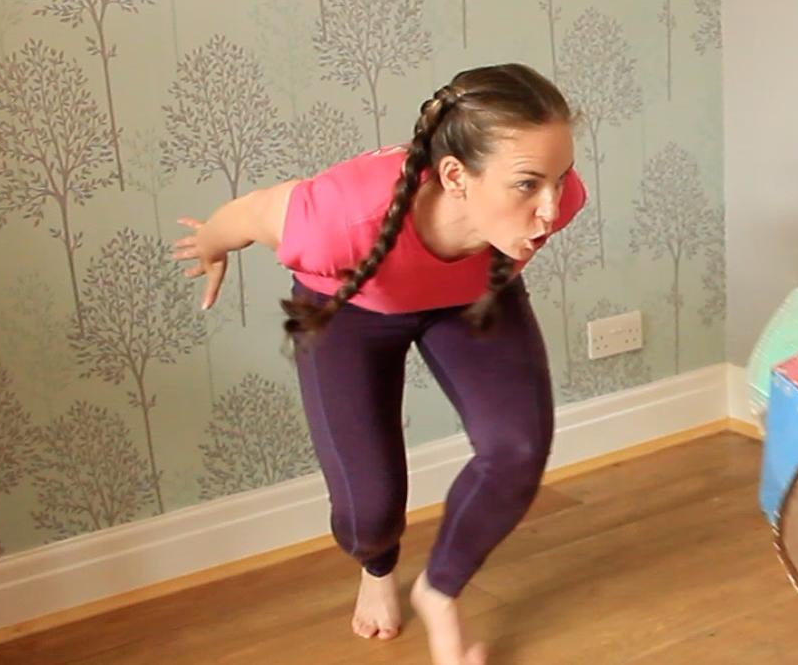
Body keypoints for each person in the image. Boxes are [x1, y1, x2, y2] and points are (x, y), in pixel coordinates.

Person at [174, 62, 584, 665]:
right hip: (351, 309)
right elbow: (250, 214)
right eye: (528, 184)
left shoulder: (556, 200)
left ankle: (438, 591)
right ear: (455, 176)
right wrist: (209, 243)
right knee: (369, 511)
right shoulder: (338, 215)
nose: (552, 206)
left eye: (562, 176)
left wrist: (533, 195)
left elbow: (542, 206)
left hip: (469, 299)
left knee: (518, 448)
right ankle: (378, 565)